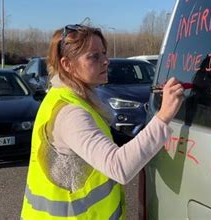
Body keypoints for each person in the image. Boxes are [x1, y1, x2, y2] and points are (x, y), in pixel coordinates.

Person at [21, 24, 184, 219]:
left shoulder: (65, 96)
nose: (106, 61)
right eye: (94, 56)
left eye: (104, 53)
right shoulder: (71, 113)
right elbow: (118, 167)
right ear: (67, 64)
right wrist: (164, 116)